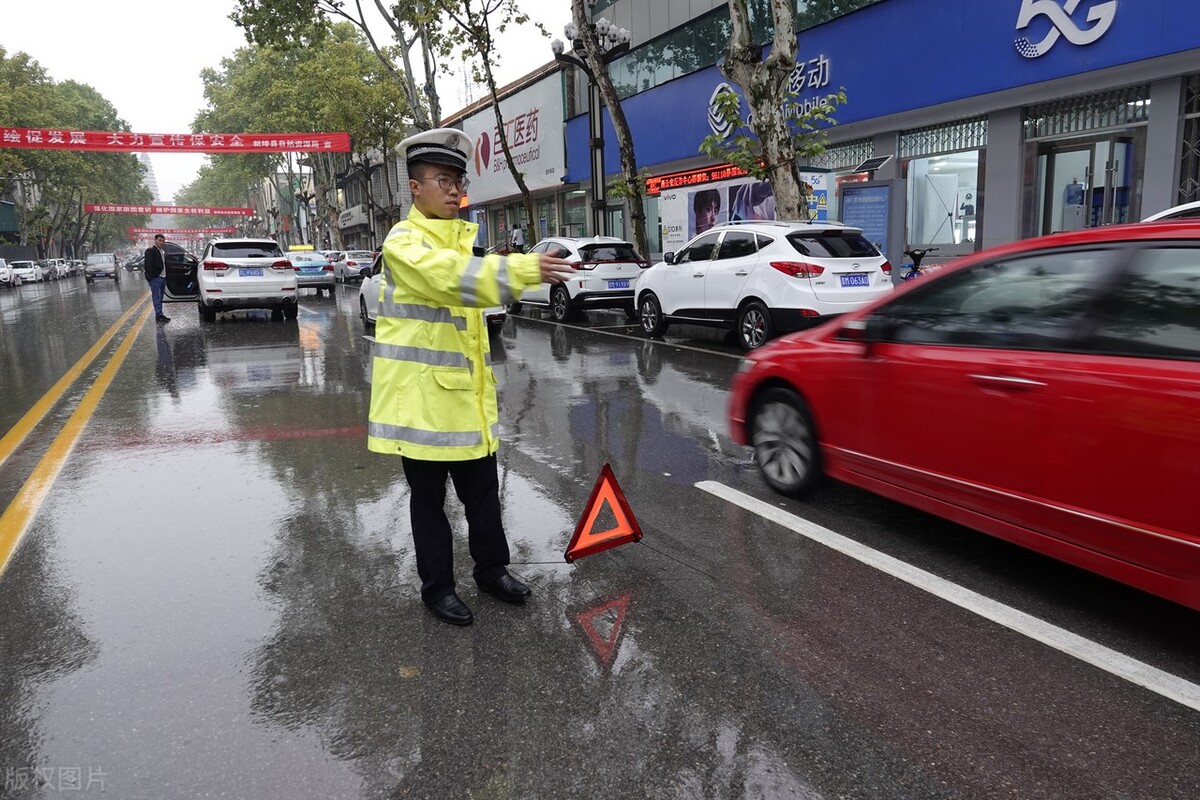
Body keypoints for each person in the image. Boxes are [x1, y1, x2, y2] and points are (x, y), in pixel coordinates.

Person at [368, 128, 576, 626]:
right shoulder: (404, 241)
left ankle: (492, 571)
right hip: (420, 406)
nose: (453, 189)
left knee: (483, 495)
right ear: (414, 188)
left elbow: (472, 289)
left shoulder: (464, 241)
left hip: (466, 400)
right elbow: (452, 280)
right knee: (429, 505)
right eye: (441, 179)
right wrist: (525, 268)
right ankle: (438, 588)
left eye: (457, 179)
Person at [144, 233, 170, 322]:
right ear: (155, 240)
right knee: (157, 297)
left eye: (163, 241)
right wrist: (152, 276)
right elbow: (148, 265)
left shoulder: (162, 251)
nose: (161, 242)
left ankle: (160, 314)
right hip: (156, 278)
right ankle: (159, 316)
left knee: (160, 297)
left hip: (163, 277)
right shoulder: (150, 251)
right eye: (159, 240)